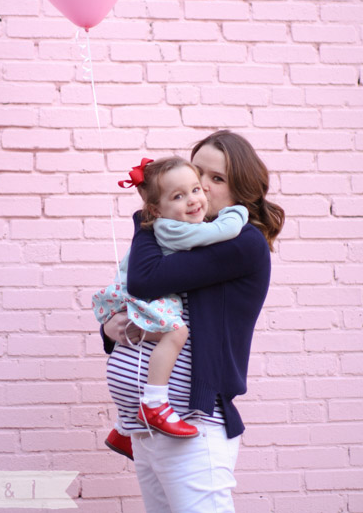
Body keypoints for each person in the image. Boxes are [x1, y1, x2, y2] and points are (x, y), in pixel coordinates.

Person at [102, 130, 285, 513]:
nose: (200, 186)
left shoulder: (243, 242)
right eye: (196, 172)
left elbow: (145, 279)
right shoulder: (185, 240)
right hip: (147, 430)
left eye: (216, 179)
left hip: (194, 426)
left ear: (241, 191)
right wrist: (111, 328)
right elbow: (148, 303)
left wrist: (149, 217)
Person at [92, 156, 249, 454]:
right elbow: (218, 232)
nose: (194, 198)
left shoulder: (164, 228)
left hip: (135, 303)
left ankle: (125, 426)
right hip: (139, 299)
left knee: (160, 333)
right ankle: (153, 404)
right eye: (179, 195)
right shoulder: (173, 229)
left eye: (197, 188)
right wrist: (238, 213)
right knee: (176, 333)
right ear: (156, 209)